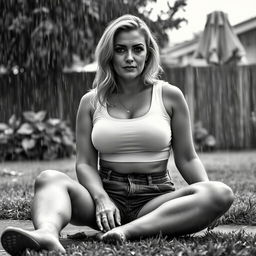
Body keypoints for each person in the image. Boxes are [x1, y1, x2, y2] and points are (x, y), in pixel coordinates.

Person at [1, 14, 234, 255]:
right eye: (121, 49)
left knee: (219, 192)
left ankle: (128, 230)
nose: (130, 57)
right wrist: (101, 198)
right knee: (49, 178)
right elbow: (85, 164)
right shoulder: (91, 102)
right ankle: (46, 234)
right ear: (109, 55)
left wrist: (205, 198)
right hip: (106, 199)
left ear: (149, 53)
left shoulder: (169, 95)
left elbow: (187, 158)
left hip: (155, 201)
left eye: (138, 49)